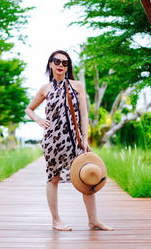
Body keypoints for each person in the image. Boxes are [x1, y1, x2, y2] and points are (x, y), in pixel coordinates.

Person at [25, 50, 113, 231]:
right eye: (57, 61)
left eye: (65, 63)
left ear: (68, 67)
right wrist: (39, 120)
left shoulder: (77, 86)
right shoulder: (45, 88)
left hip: (75, 141)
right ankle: (56, 220)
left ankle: (93, 220)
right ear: (50, 64)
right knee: (53, 178)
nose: (60, 65)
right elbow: (29, 109)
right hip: (52, 141)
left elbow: (83, 113)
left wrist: (85, 138)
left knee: (87, 177)